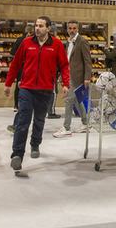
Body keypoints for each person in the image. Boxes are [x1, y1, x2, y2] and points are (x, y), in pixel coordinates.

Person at [4, 16, 69, 173]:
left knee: (39, 120)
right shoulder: (27, 43)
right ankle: (17, 155)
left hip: (45, 89)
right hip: (26, 88)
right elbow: (16, 64)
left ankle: (35, 144)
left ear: (48, 28)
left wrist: (65, 83)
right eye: (36, 25)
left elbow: (64, 65)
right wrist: (8, 83)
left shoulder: (57, 44)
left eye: (41, 26)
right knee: (22, 121)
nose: (37, 28)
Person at [53, 20, 92, 138]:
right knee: (76, 100)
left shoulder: (82, 41)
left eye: (74, 28)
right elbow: (66, 60)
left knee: (68, 100)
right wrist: (61, 74)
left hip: (78, 76)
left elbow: (87, 61)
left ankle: (66, 128)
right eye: (70, 28)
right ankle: (85, 123)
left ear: (78, 29)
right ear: (67, 29)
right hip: (68, 74)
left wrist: (87, 77)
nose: (72, 31)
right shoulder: (68, 42)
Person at [6, 24, 33, 133]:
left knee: (21, 91)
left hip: (22, 70)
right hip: (28, 72)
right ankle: (18, 124)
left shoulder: (21, 40)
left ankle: (16, 106)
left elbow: (12, 53)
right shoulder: (31, 42)